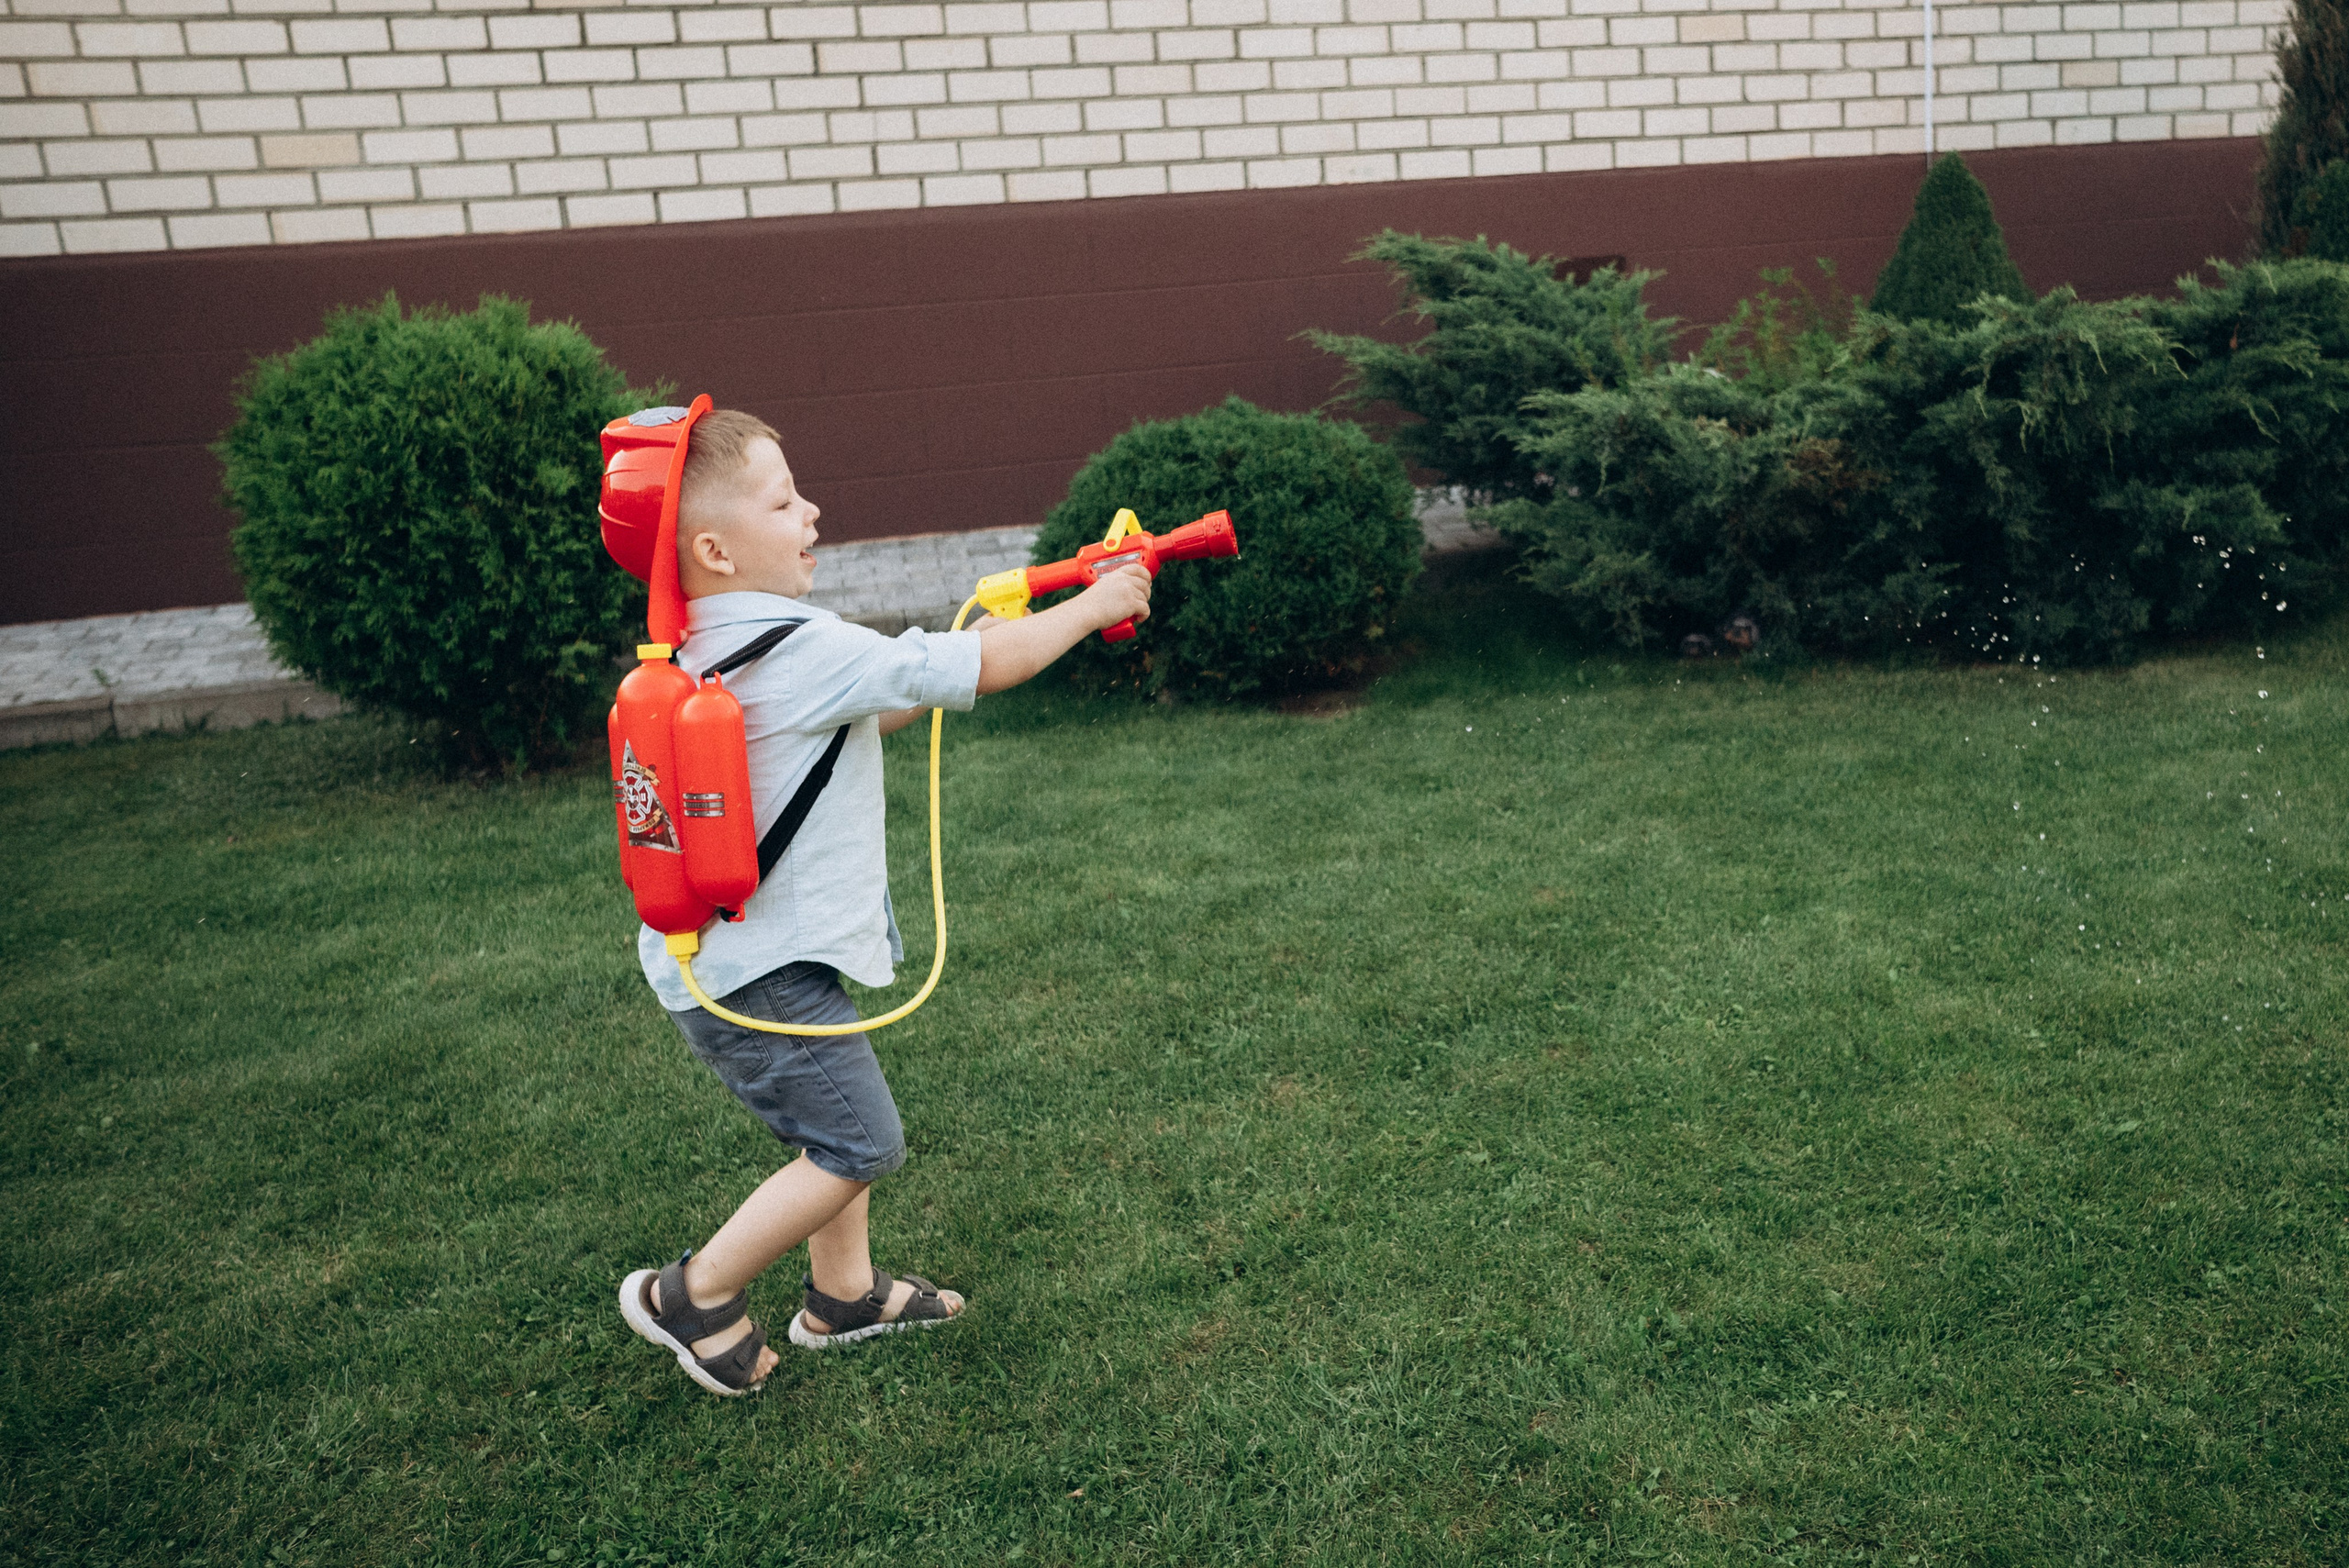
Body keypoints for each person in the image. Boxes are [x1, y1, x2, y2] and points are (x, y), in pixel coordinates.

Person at [617, 409, 1152, 1396]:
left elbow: (876, 702)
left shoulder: (704, 647)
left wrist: (969, 644)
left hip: (735, 958)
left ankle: (844, 1296)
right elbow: (975, 670)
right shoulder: (801, 646)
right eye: (784, 501)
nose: (812, 512)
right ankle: (693, 1293)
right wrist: (1094, 604)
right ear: (715, 550)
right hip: (761, 974)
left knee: (829, 1126)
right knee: (859, 1140)